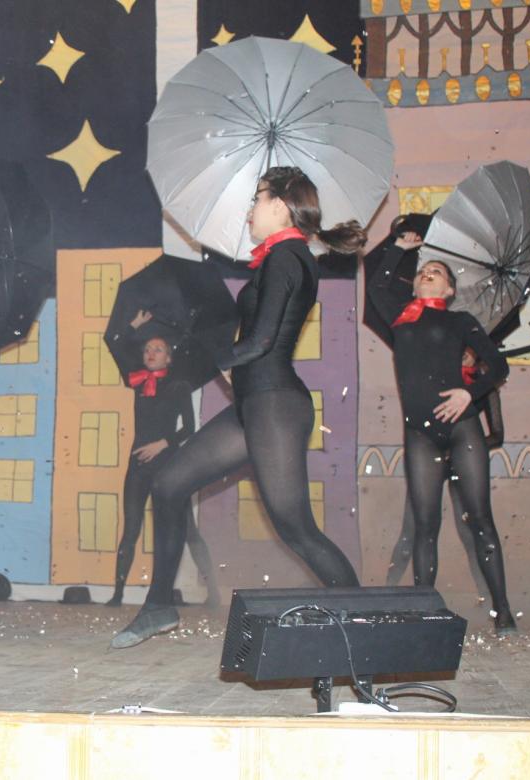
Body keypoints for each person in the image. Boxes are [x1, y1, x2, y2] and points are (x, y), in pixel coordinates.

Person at [111, 166, 364, 649]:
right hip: (254, 403)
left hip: (275, 407)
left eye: (257, 199)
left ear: (280, 205)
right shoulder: (279, 258)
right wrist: (229, 363)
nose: (250, 210)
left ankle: (361, 623)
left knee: (296, 528)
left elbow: (262, 341)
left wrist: (214, 360)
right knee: (168, 484)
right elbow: (255, 341)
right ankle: (159, 606)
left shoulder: (287, 257)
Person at [368, 231, 516, 634]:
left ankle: (503, 611)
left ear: (449, 290)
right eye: (424, 271)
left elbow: (498, 367)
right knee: (424, 524)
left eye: (437, 272)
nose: (427, 273)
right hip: (420, 434)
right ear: (415, 284)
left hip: (463, 429)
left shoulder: (459, 321)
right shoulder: (400, 317)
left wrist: (470, 393)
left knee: (480, 518)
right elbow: (377, 286)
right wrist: (398, 250)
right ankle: (424, 613)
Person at [106, 314, 217, 608]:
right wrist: (134, 324)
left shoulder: (179, 386)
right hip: (138, 465)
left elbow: (189, 428)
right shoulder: (138, 381)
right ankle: (117, 595)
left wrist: (162, 443)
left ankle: (213, 591)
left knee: (187, 530)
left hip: (168, 465)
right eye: (147, 349)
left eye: (158, 349)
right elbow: (116, 344)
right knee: (131, 529)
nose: (150, 353)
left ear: (169, 357)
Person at [386, 347, 504, 594]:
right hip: (430, 462)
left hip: (464, 465)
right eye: (461, 350)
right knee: (412, 531)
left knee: (471, 533)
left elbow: (497, 434)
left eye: (470, 351)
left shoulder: (482, 384)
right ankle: (388, 590)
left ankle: (488, 598)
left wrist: (465, 450)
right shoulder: (436, 379)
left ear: (478, 354)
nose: (465, 355)